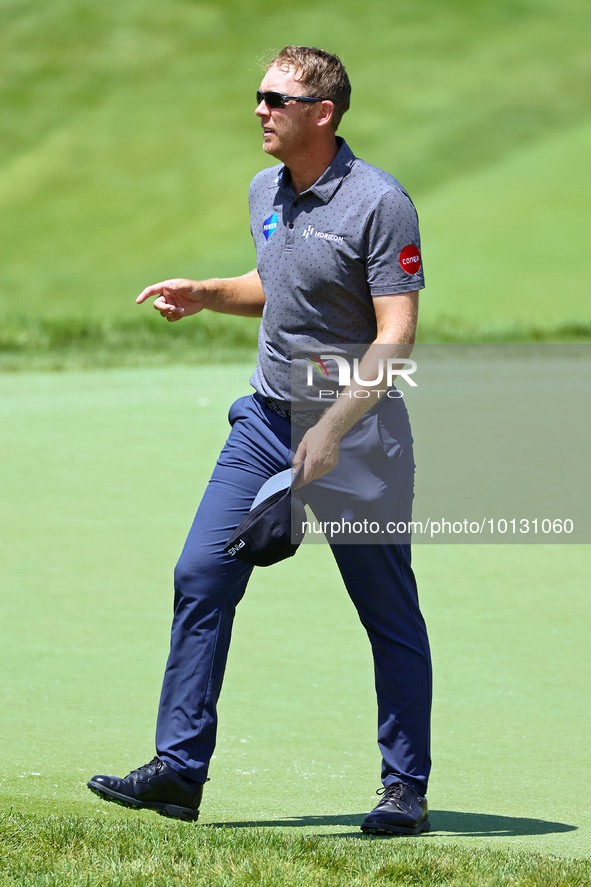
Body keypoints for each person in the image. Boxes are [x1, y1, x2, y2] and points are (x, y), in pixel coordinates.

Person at [88, 45, 432, 836]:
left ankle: (402, 789)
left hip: (361, 434)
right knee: (201, 572)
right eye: (259, 95)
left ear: (323, 113)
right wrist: (207, 293)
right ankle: (177, 771)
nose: (259, 110)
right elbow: (280, 284)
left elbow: (395, 337)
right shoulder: (264, 188)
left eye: (276, 99)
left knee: (384, 608)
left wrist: (334, 430)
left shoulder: (380, 203)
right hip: (264, 423)